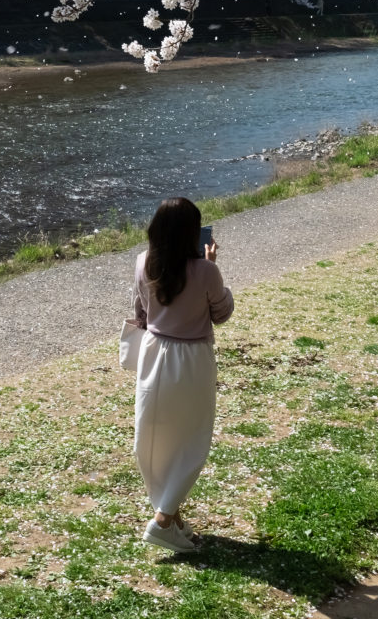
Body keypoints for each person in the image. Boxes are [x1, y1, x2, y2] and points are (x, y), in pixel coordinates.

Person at [131, 196, 234, 553]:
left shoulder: (144, 262)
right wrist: (212, 267)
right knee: (192, 437)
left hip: (153, 353)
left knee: (153, 435)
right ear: (194, 233)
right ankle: (163, 519)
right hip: (191, 357)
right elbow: (220, 313)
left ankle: (171, 517)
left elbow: (141, 312)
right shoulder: (206, 270)